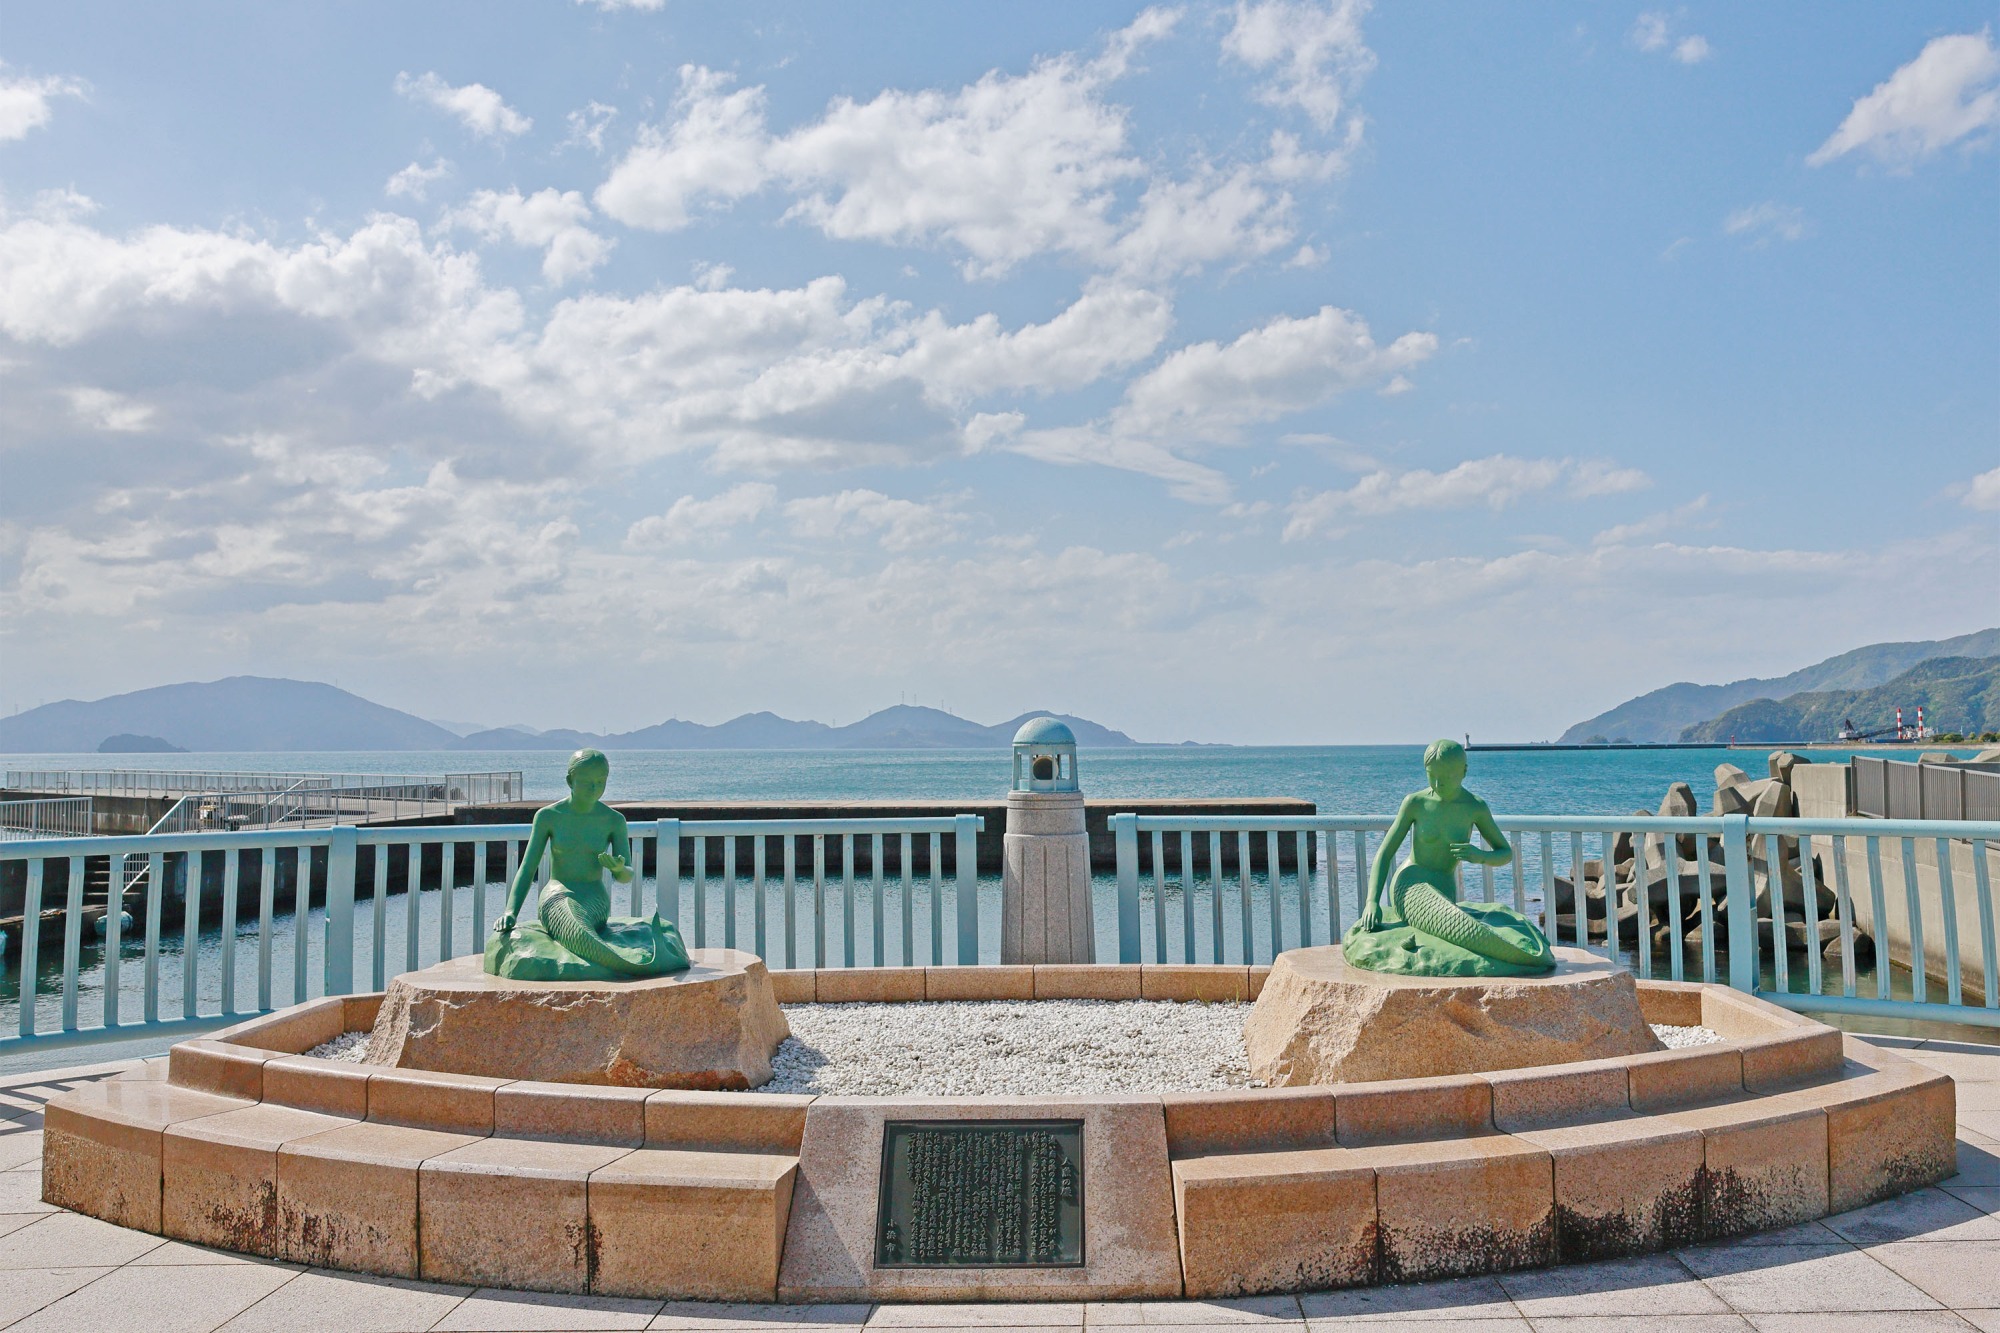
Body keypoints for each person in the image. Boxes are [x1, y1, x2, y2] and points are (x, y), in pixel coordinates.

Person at [1345, 739, 1555, 977]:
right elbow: (1385, 853)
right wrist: (1372, 901)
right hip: (1409, 883)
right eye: (1431, 776)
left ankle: (1523, 957)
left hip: (1445, 889)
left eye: (1446, 777)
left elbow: (1504, 853)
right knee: (1462, 930)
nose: (1438, 783)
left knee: (1459, 926)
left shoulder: (1474, 807)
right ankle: (1518, 956)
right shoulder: (1415, 803)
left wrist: (1479, 856)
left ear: (1463, 772)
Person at [486, 748, 690, 980]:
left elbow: (626, 876)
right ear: (569, 781)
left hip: (595, 897)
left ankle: (619, 960)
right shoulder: (548, 816)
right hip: (557, 893)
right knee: (567, 914)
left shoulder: (613, 820)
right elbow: (527, 867)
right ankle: (618, 961)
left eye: (600, 782)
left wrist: (618, 868)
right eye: (586, 782)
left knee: (580, 920)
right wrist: (510, 912)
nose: (594, 788)